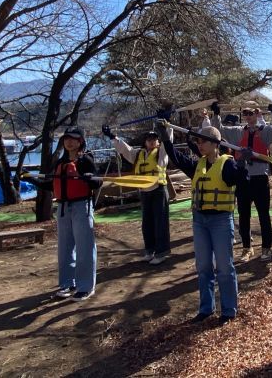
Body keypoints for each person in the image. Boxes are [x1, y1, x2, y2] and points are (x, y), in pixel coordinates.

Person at [159, 123, 250, 324]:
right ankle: (206, 308)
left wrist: (243, 163)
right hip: (200, 221)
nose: (199, 145)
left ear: (215, 144)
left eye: (203, 141)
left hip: (220, 221)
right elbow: (176, 157)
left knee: (225, 267)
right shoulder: (197, 165)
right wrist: (165, 136)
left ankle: (228, 310)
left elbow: (239, 179)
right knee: (203, 266)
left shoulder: (227, 164)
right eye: (198, 141)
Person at [23, 127, 100, 301]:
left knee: (84, 247)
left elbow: (98, 181)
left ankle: (86, 286)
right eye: (66, 138)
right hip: (63, 208)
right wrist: (33, 180)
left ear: (80, 141)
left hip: (82, 206)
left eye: (73, 138)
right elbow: (53, 185)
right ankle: (68, 283)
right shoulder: (60, 163)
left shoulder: (85, 160)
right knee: (65, 248)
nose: (69, 141)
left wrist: (91, 178)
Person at [211, 101, 272, 262]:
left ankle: (266, 248)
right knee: (243, 215)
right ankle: (247, 248)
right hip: (243, 178)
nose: (247, 116)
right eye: (245, 113)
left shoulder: (265, 131)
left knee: (263, 215)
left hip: (260, 178)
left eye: (250, 113)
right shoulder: (238, 132)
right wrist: (216, 114)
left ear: (256, 113)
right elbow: (219, 130)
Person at [105, 126, 172, 264]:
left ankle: (161, 252)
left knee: (160, 222)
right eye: (149, 139)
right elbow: (124, 149)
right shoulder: (138, 154)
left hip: (158, 189)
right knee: (147, 223)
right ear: (145, 142)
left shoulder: (161, 152)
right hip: (144, 192)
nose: (152, 141)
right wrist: (113, 137)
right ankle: (149, 250)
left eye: (154, 139)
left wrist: (167, 126)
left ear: (158, 141)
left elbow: (168, 141)